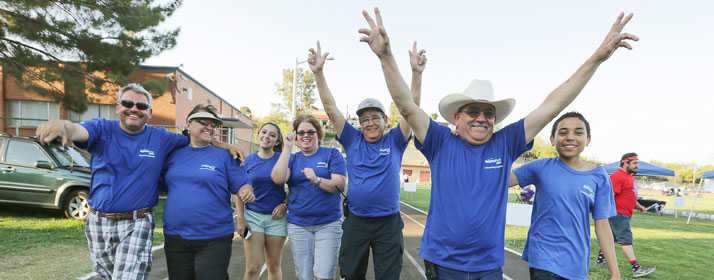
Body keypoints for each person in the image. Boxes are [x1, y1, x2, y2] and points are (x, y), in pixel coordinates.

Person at [358, 8, 638, 279]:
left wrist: (597, 58)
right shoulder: (439, 141)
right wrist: (385, 56)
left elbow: (553, 105)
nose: (482, 118)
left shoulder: (506, 142)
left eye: (488, 113)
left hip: (489, 266)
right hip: (443, 263)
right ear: (457, 117)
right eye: (473, 112)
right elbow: (406, 106)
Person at [34, 83, 243, 279]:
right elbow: (77, 130)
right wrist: (63, 126)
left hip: (137, 221)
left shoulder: (162, 138)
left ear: (149, 112)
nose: (134, 109)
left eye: (141, 106)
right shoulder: (102, 129)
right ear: (118, 107)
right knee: (108, 275)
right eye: (128, 103)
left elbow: (197, 138)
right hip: (98, 221)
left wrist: (226, 146)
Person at [306, 40, 425, 280]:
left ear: (385, 119)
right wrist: (318, 73)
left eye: (375, 117)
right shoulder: (352, 139)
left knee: (388, 276)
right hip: (356, 221)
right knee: (350, 274)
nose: (369, 123)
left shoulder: (395, 139)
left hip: (388, 224)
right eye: (365, 119)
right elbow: (331, 108)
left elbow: (410, 108)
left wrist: (416, 74)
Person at [509, 112, 620, 280]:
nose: (570, 137)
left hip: (577, 265)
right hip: (543, 258)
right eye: (563, 132)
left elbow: (603, 225)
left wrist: (615, 272)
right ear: (552, 140)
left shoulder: (599, 176)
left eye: (578, 132)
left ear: (588, 139)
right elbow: (499, 180)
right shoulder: (541, 167)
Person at [160, 104, 255, 280]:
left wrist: (246, 190)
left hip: (214, 237)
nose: (209, 127)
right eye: (203, 122)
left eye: (213, 124)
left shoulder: (226, 155)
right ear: (188, 125)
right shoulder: (172, 153)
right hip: (176, 236)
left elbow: (241, 184)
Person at [271, 114, 347, 280]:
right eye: (301, 133)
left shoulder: (332, 154)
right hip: (299, 225)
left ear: (318, 134)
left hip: (328, 224)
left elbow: (339, 185)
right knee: (304, 276)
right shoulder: (292, 158)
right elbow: (278, 178)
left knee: (324, 275)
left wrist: (317, 180)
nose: (306, 136)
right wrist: (287, 148)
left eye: (310, 132)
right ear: (296, 136)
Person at [236, 122, 289, 280]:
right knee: (253, 268)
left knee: (273, 266)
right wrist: (241, 218)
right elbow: (239, 190)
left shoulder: (283, 159)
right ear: (258, 135)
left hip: (277, 219)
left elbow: (295, 186)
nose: (267, 137)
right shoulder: (247, 160)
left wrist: (285, 205)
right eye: (264, 132)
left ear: (277, 142)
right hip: (253, 217)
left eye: (272, 135)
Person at [595, 152, 656, 278]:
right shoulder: (618, 176)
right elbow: (609, 196)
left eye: (637, 163)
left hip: (623, 213)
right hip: (618, 214)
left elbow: (630, 195)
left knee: (610, 237)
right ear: (625, 162)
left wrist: (639, 207)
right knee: (626, 240)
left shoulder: (629, 177)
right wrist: (604, 212)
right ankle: (636, 268)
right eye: (634, 163)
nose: (636, 166)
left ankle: (601, 260)